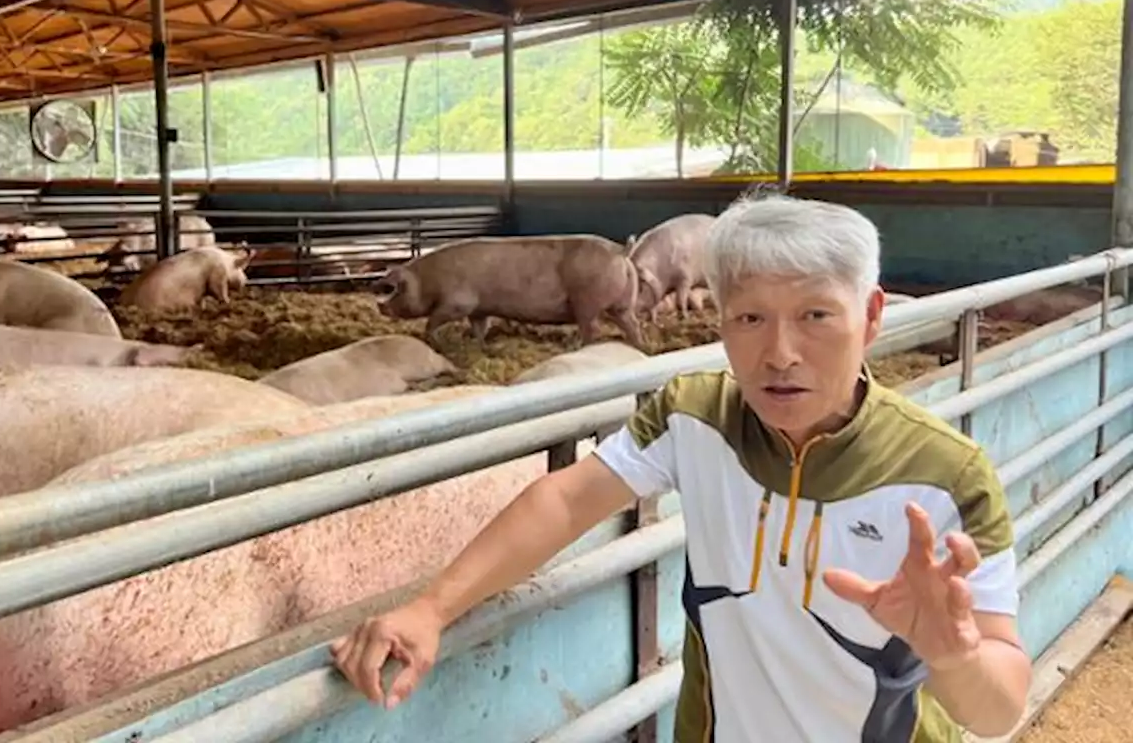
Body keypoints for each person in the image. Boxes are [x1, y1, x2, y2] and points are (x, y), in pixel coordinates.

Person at [331, 191, 1030, 742]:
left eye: (816, 315)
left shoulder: (946, 475)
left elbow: (998, 708)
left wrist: (955, 656)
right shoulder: (694, 415)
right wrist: (432, 607)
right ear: (717, 319)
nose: (780, 352)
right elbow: (567, 502)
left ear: (872, 318)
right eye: (749, 319)